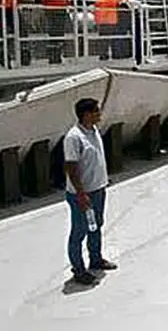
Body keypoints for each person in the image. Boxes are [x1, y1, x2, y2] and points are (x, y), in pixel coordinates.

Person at [63, 98, 117, 286]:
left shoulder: (93, 131)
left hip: (98, 190)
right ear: (86, 114)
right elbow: (71, 167)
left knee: (96, 226)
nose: (99, 114)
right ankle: (78, 270)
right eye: (96, 111)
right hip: (82, 194)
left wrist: (102, 180)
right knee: (79, 231)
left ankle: (96, 259)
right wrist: (80, 194)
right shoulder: (74, 137)